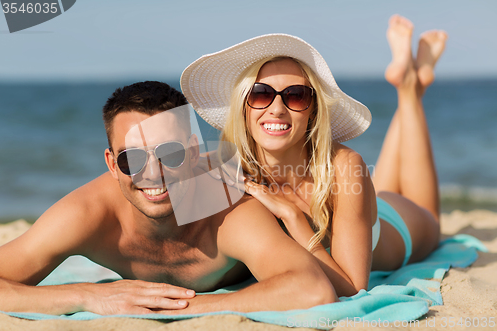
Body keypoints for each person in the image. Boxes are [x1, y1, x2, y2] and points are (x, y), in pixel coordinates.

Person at [0, 81, 336, 315]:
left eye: (170, 155)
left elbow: (313, 289)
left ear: (193, 153)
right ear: (112, 164)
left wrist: (177, 309)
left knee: (388, 215)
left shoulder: (229, 209)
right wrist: (87, 295)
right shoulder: (88, 213)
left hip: (332, 226)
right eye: (132, 159)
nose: (153, 173)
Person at [181, 15, 448, 297]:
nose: (277, 108)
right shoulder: (226, 166)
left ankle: (410, 91)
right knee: (378, 186)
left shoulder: (345, 167)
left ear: (313, 111)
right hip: (358, 208)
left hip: (398, 227)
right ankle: (410, 83)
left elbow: (353, 289)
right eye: (261, 94)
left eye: (295, 96)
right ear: (243, 107)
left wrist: (293, 217)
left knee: (429, 216)